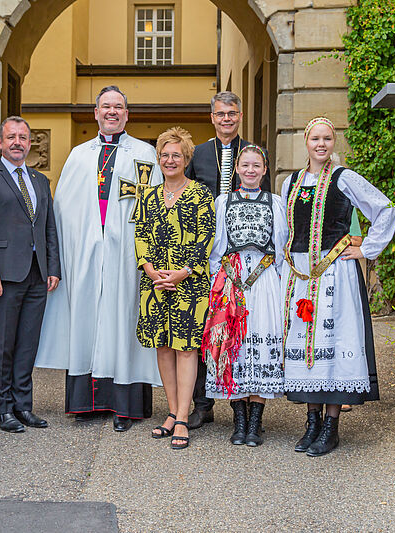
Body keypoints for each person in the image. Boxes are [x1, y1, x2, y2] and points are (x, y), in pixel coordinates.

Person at [36, 86, 163, 432]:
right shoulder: (78, 155)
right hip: (85, 255)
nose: (112, 111)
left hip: (127, 255)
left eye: (118, 107)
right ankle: (87, 403)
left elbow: (155, 206)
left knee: (123, 320)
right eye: (106, 106)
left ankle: (126, 406)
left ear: (127, 114)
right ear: (95, 113)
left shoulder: (144, 154)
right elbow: (62, 212)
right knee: (88, 319)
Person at [282, 117, 395, 456]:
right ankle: (312, 422)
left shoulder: (344, 178)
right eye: (315, 138)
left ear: (334, 143)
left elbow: (385, 209)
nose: (321, 144)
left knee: (333, 344)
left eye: (327, 139)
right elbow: (286, 234)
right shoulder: (291, 182)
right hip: (302, 277)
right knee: (308, 347)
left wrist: (365, 249)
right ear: (306, 142)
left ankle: (331, 426)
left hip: (336, 273)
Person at [183, 90, 271, 430]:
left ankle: (247, 407)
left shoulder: (252, 153)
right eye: (220, 114)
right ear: (212, 117)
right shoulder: (200, 154)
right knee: (206, 326)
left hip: (240, 257)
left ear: (240, 115)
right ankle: (202, 405)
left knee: (241, 330)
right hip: (205, 250)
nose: (226, 119)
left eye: (232, 113)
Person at [0, 116, 61, 433]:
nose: (18, 142)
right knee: (4, 345)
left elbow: (49, 227)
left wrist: (53, 267)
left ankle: (23, 406)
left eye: (23, 137)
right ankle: (3, 408)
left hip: (37, 275)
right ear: (0, 142)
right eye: (11, 137)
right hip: (4, 276)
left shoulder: (39, 180)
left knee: (27, 345)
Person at [201, 145, 288, 447]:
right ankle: (238, 419)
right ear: (236, 168)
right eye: (246, 165)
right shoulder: (223, 201)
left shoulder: (275, 202)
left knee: (261, 342)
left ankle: (256, 422)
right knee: (232, 343)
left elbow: (280, 246)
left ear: (265, 170)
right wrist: (221, 281)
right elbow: (217, 245)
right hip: (232, 278)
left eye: (257, 165)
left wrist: (277, 281)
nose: (251, 170)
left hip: (263, 280)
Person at [135, 127, 214, 449]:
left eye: (176, 155)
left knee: (186, 348)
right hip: (154, 284)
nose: (170, 160)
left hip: (190, 284)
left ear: (186, 159)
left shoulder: (200, 193)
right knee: (163, 347)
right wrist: (152, 270)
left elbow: (206, 238)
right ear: (159, 158)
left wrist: (182, 272)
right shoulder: (148, 195)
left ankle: (183, 416)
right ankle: (170, 410)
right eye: (165, 155)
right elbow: (140, 233)